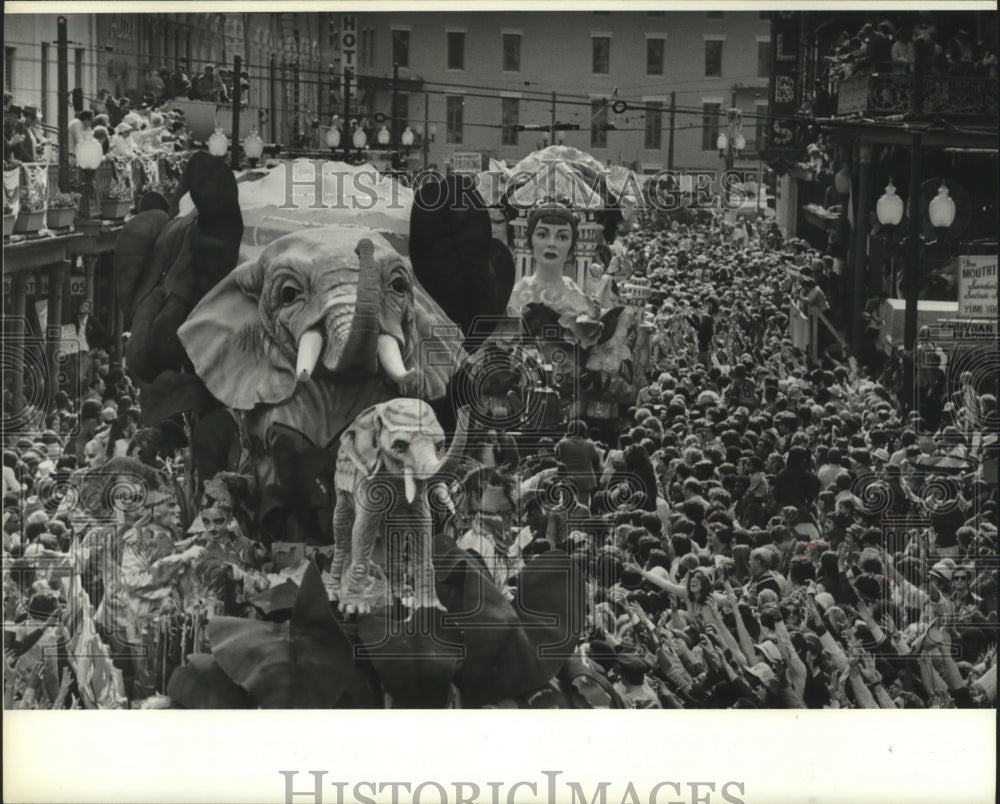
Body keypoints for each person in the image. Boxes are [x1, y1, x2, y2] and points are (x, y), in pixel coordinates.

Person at [508, 205, 599, 322]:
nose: (551, 243)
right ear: (530, 240)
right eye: (542, 235)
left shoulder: (578, 298)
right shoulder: (517, 294)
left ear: (572, 244)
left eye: (562, 237)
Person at [554, 420, 603, 507]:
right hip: (585, 482)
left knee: (566, 505)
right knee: (584, 505)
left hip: (568, 480)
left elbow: (557, 459)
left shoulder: (562, 444)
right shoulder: (590, 445)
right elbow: (596, 460)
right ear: (584, 430)